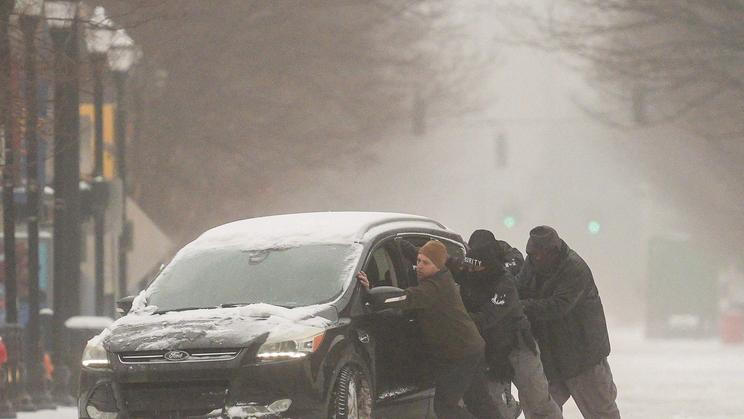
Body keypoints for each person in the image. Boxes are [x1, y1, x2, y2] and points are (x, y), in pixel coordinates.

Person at [357, 240, 500, 419]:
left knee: (445, 407)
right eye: (418, 261)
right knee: (479, 402)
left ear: (438, 266)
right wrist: (399, 243)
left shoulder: (434, 288)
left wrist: (370, 293)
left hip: (460, 354)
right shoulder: (439, 275)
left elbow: (404, 298)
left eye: (425, 263)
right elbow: (424, 254)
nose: (419, 266)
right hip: (471, 348)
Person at [517, 226, 621, 418]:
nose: (536, 259)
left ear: (553, 251)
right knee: (540, 413)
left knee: (601, 412)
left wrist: (522, 306)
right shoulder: (531, 263)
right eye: (532, 255)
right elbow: (520, 289)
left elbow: (559, 306)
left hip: (583, 358)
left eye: (540, 255)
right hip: (550, 357)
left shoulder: (574, 268)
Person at [463, 230, 563, 419]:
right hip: (490, 352)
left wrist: (459, 319)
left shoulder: (504, 279)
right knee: (496, 409)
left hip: (518, 345)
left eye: (479, 263)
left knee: (538, 403)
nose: (473, 269)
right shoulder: (468, 271)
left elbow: (488, 317)